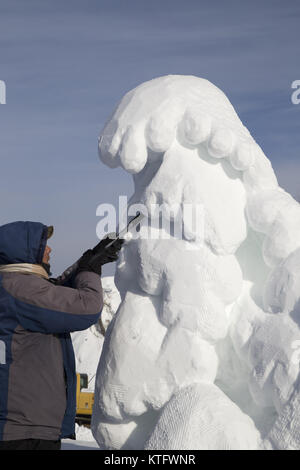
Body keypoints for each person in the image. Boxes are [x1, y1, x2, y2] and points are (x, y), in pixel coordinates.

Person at [0, 221, 123, 451]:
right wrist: (90, 270)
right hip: (25, 433)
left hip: (18, 426)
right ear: (23, 251)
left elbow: (55, 289)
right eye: (42, 245)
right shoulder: (22, 290)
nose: (49, 249)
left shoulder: (10, 286)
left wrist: (89, 259)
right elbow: (86, 307)